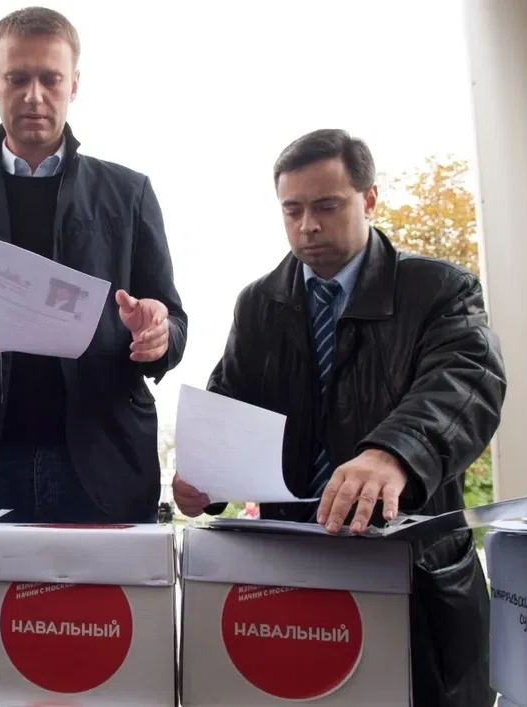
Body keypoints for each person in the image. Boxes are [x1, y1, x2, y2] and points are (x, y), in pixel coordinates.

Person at [172, 128, 505, 706]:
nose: (308, 226)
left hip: (414, 581)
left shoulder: (439, 289)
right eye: (292, 210)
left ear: (369, 199)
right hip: (292, 582)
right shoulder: (258, 304)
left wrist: (395, 452)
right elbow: (228, 407)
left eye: (327, 206)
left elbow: (466, 382)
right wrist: (205, 477)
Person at [0, 6, 187, 526]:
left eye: (50, 79)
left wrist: (158, 335)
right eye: (17, 78)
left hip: (106, 464)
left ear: (74, 85)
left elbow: (173, 321)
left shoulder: (129, 194)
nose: (34, 95)